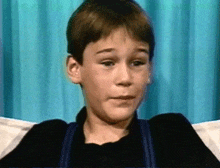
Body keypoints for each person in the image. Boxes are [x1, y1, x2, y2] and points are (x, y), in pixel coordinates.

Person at [0, 0, 219, 167]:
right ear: (75, 69)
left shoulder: (171, 138)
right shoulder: (47, 143)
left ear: (149, 70)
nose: (125, 78)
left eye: (137, 62)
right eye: (107, 62)